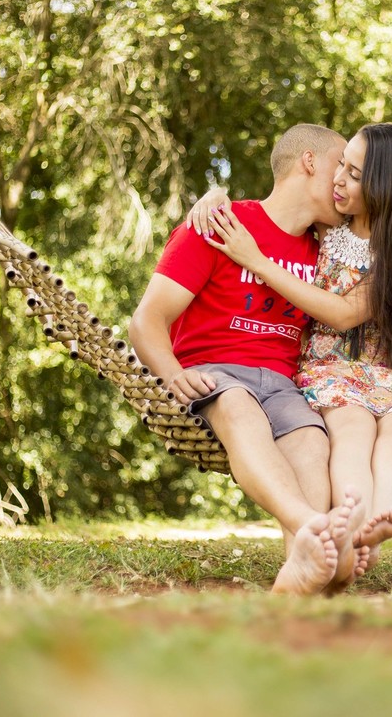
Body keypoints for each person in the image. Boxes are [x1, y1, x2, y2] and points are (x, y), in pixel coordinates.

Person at [129, 124, 370, 596]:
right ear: (309, 162)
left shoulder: (328, 249)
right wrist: (172, 374)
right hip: (215, 374)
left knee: (310, 438)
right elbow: (146, 321)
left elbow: (385, 284)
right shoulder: (219, 226)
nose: (345, 179)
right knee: (239, 406)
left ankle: (302, 567)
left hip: (283, 384)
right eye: (339, 164)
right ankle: (311, 528)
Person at [194, 123, 392, 569]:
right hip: (335, 370)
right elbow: (275, 206)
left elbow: (344, 312)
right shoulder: (327, 225)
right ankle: (352, 526)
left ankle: (385, 517)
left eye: (352, 173)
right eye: (342, 165)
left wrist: (256, 261)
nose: (339, 178)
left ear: (385, 186)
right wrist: (217, 195)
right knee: (352, 433)